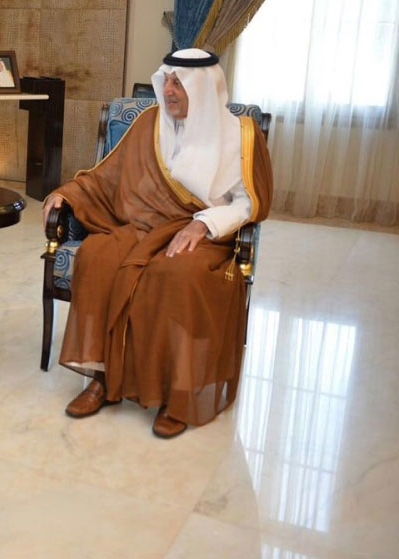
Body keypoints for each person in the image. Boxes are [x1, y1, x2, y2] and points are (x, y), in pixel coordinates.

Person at [42, 48, 273, 438]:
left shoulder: (240, 136)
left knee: (177, 274)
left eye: (178, 84)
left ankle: (177, 395)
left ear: (203, 89)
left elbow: (249, 202)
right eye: (166, 81)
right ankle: (103, 378)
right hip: (142, 226)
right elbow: (106, 176)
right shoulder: (150, 123)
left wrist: (204, 225)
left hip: (205, 233)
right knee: (97, 256)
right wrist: (67, 193)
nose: (168, 91)